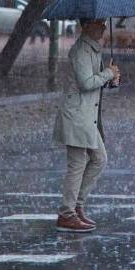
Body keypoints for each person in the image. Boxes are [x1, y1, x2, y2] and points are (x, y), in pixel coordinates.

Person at [54, 18, 120, 233]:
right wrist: (107, 74)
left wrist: (112, 79)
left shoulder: (94, 50)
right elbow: (85, 83)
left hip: (87, 117)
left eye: (103, 23)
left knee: (99, 159)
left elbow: (96, 82)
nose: (103, 26)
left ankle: (77, 205)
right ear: (87, 26)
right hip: (77, 115)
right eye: (98, 23)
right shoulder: (81, 51)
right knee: (77, 163)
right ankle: (67, 213)